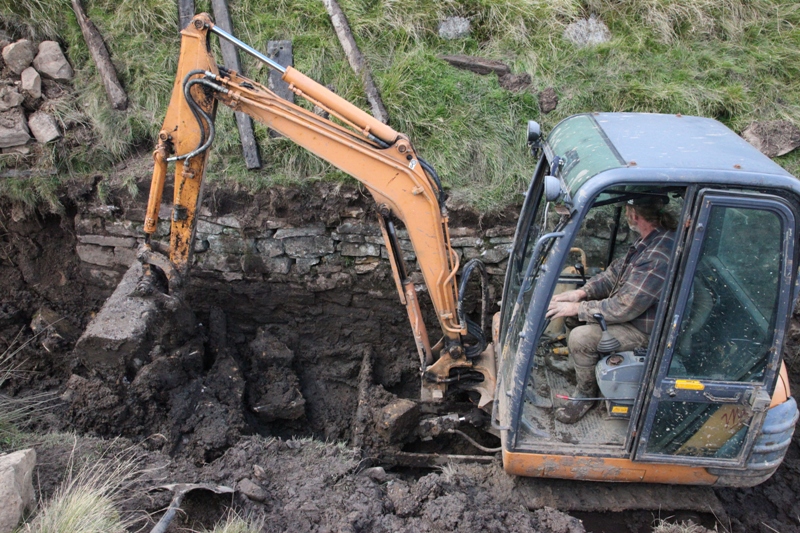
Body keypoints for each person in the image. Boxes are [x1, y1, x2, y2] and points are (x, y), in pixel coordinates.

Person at [545, 195, 678, 424]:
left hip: (646, 330)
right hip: (634, 316)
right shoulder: (647, 242)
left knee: (580, 337)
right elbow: (614, 273)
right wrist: (580, 293)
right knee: (574, 317)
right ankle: (583, 371)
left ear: (633, 214)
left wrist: (577, 307)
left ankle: (586, 396)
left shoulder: (658, 257)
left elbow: (624, 307)